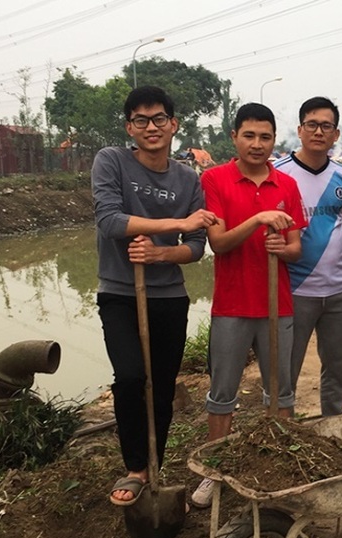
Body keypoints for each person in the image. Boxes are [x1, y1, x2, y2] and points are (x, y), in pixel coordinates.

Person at [92, 86, 217, 507]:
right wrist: (178, 220)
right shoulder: (111, 161)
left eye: (159, 118)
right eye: (141, 120)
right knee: (130, 377)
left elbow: (196, 247)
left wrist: (162, 251)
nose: (151, 127)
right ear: (130, 127)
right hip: (119, 292)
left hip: (167, 296)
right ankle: (135, 468)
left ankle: (155, 464)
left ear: (173, 125)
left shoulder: (188, 179)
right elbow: (110, 221)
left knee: (161, 387)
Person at [193, 102, 305, 508]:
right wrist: (259, 220)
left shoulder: (286, 186)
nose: (257, 144)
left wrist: (283, 246)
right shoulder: (215, 179)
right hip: (232, 305)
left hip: (278, 306)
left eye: (265, 137)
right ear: (234, 137)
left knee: (280, 393)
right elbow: (218, 243)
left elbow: (295, 247)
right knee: (222, 391)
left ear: (275, 139)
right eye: (249, 136)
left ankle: (279, 464)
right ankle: (214, 470)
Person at [273, 97, 342, 417]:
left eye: (326, 126)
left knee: (337, 368)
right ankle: (283, 432)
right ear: (300, 130)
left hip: (339, 292)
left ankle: (332, 426)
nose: (318, 131)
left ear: (336, 134)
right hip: (294, 292)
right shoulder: (279, 174)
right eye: (312, 125)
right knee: (286, 369)